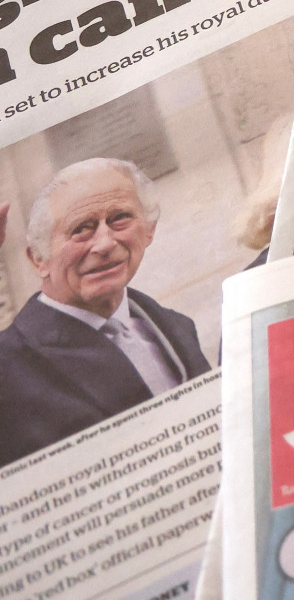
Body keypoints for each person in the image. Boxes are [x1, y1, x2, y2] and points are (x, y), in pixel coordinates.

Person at [0, 160, 211, 467]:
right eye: (81, 230)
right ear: (39, 260)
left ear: (149, 230)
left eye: (120, 218)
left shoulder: (176, 328)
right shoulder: (7, 367)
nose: (105, 243)